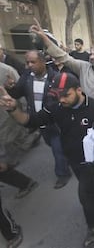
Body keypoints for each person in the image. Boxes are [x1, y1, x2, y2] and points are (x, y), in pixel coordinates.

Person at [0, 72, 94, 248]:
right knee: (90, 183)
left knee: (85, 193)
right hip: (72, 157)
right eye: (59, 96)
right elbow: (31, 121)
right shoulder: (55, 107)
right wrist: (14, 108)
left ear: (79, 90)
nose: (62, 100)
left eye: (66, 95)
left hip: (92, 159)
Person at [30, 19, 94, 186]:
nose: (91, 56)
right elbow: (62, 56)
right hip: (84, 115)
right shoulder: (83, 67)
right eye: (90, 53)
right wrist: (45, 39)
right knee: (88, 146)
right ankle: (91, 168)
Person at [4, 51, 72, 189]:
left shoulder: (56, 78)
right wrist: (11, 88)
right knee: (51, 144)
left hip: (55, 122)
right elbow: (19, 93)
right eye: (27, 62)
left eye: (33, 62)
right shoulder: (27, 76)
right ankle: (67, 155)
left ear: (42, 61)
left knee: (57, 149)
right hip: (38, 122)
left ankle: (62, 174)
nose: (29, 65)